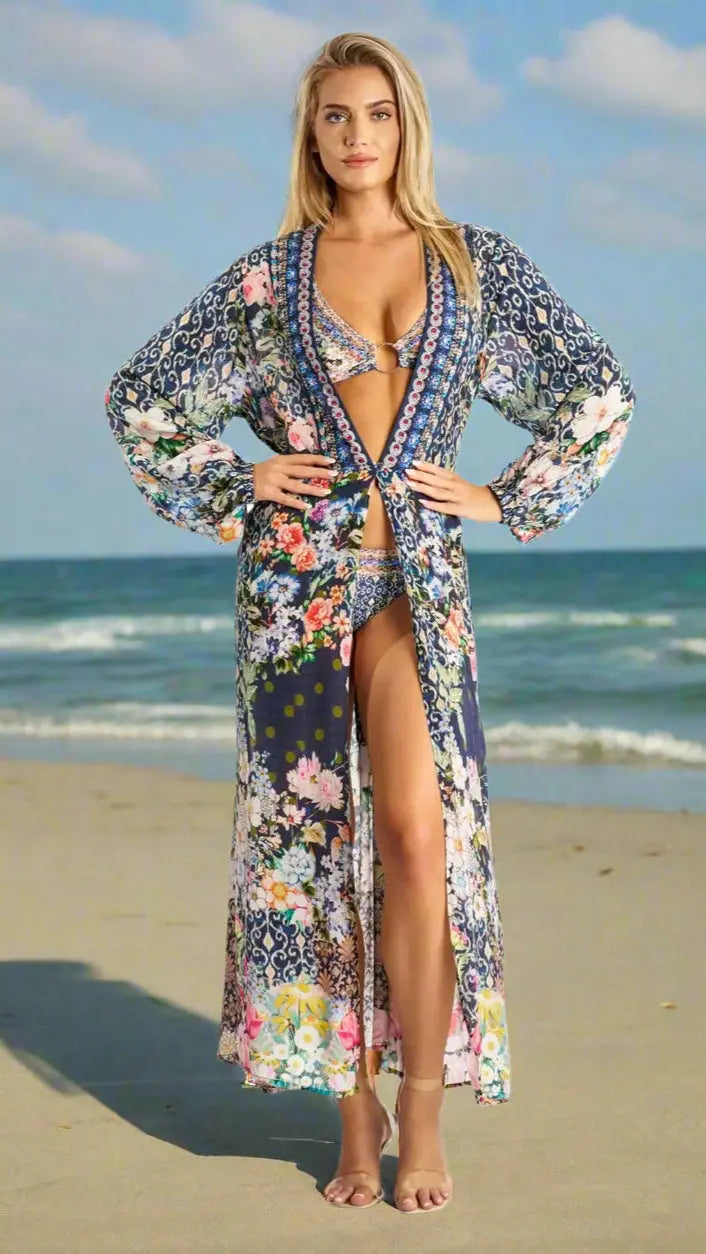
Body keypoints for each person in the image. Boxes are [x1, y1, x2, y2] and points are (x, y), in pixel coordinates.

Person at [104, 31, 635, 1215]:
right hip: (293, 593)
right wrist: (242, 481)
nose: (358, 136)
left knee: (412, 838)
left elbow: (595, 394)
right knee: (312, 856)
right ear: (313, 135)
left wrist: (503, 495)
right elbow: (142, 401)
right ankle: (354, 1117)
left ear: (408, 126)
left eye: (378, 114)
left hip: (418, 587)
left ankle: (424, 1115)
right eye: (336, 117)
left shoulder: (471, 263)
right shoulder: (266, 279)